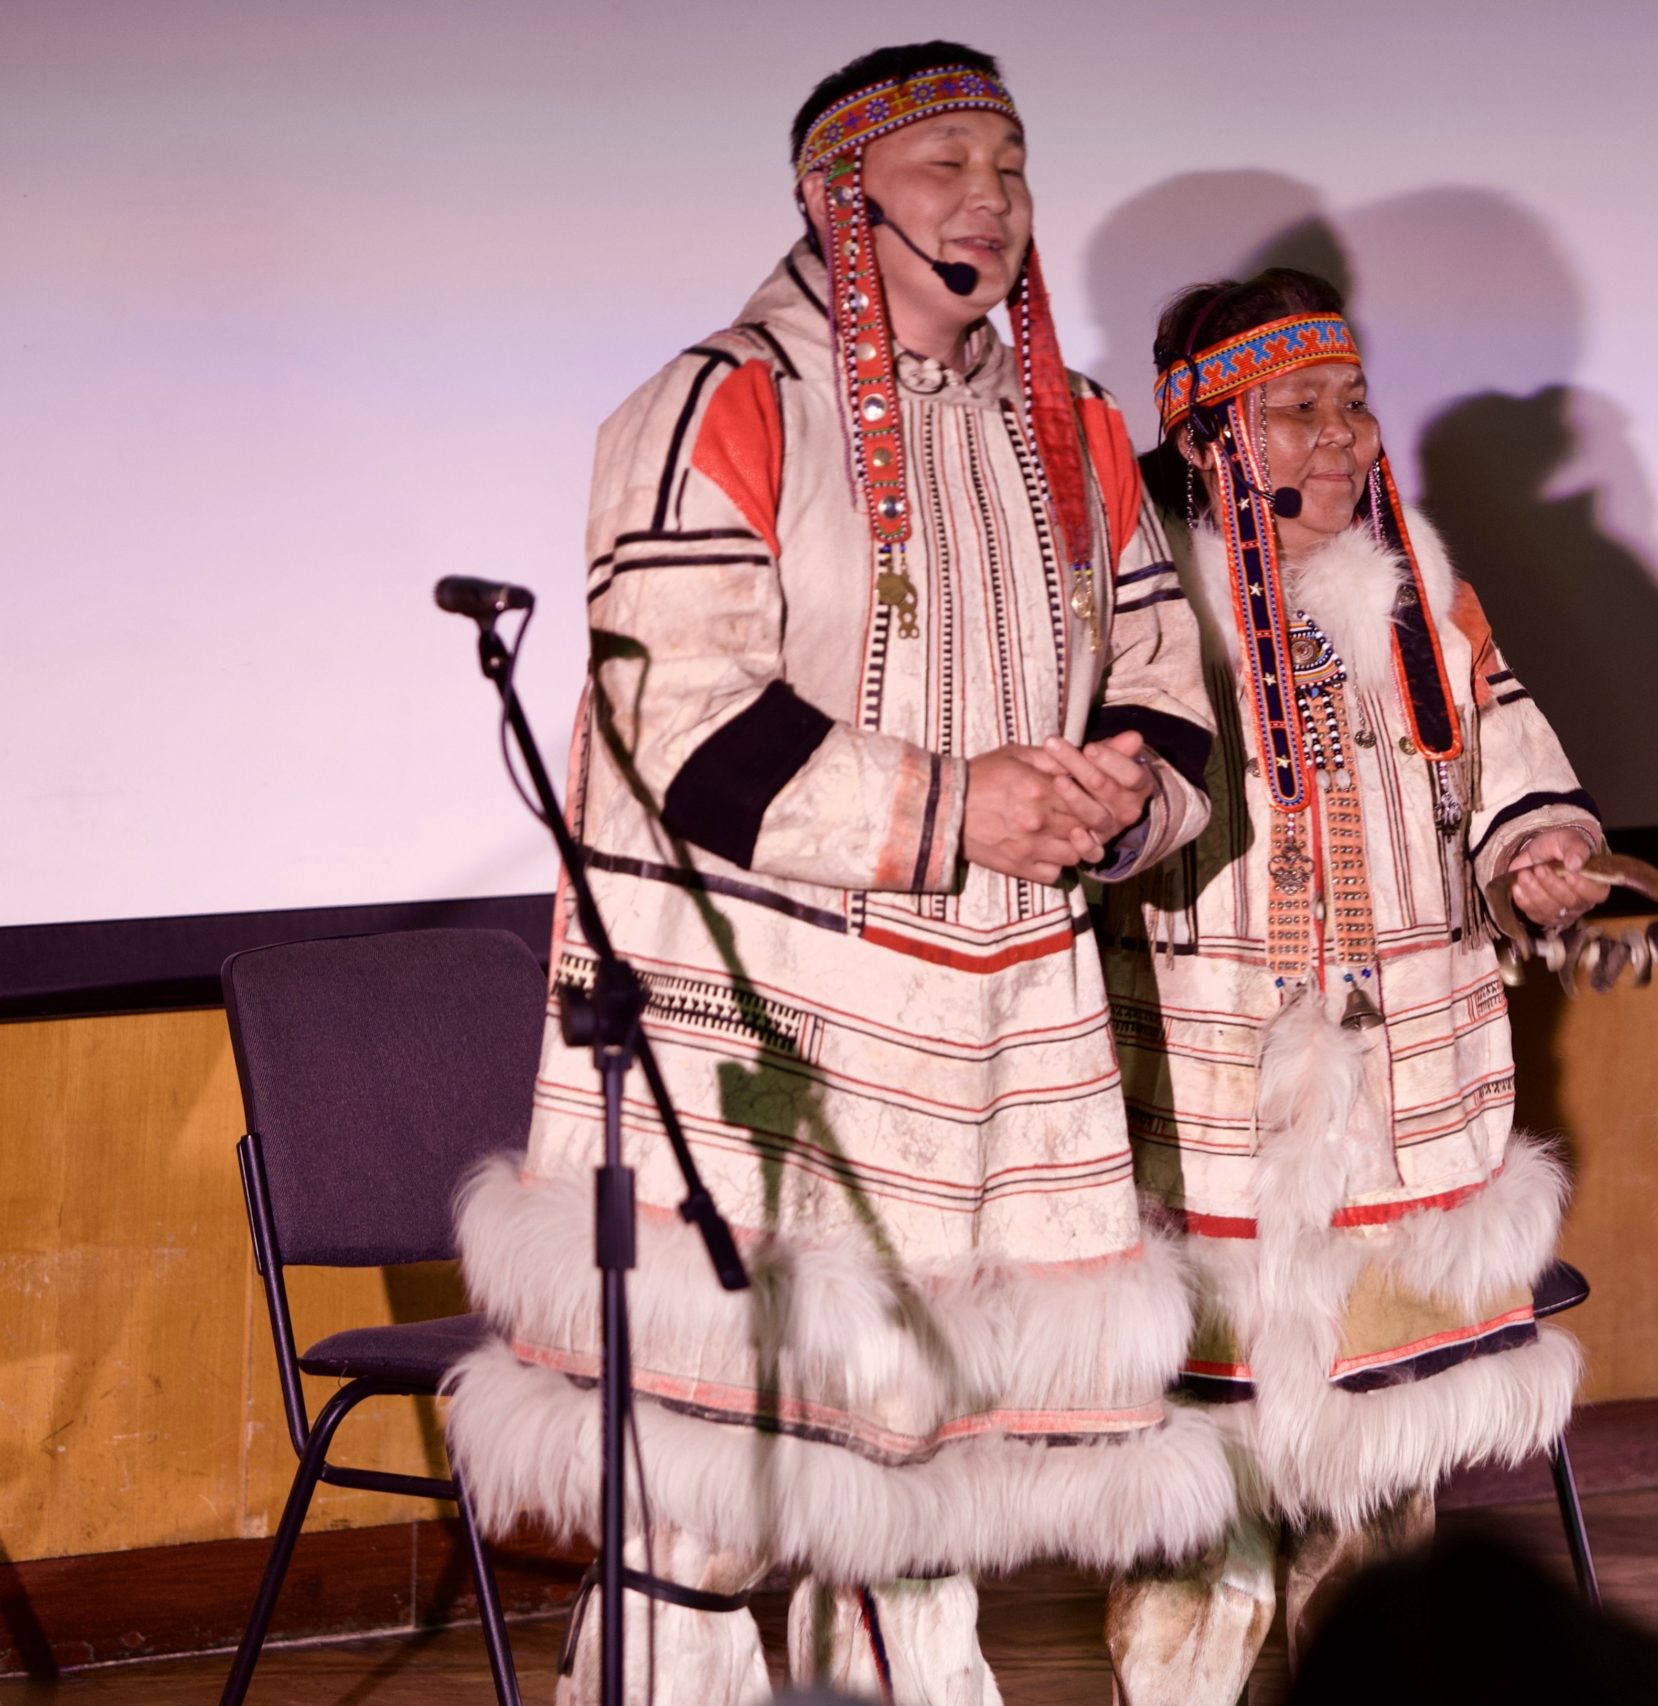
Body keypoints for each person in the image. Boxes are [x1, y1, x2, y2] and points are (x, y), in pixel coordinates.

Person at [441, 42, 1232, 1705]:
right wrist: (957, 807)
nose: (993, 200)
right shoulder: (718, 403)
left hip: (985, 1036)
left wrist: (1115, 793)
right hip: (761, 1036)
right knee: (710, 1503)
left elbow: (1162, 671)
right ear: (835, 195)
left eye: (1011, 164)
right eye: (947, 164)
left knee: (923, 1491)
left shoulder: (1079, 433)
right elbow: (675, 716)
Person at [1096, 268, 1607, 1702]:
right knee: (1203, 1516)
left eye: (1354, 404)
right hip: (1212, 1113)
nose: (1340, 437)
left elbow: (1513, 772)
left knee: (1384, 1504)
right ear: (1206, 435)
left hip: (1403, 1111)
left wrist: (1544, 855)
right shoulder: (1132, 609)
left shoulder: (1422, 590)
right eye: (1295, 410)